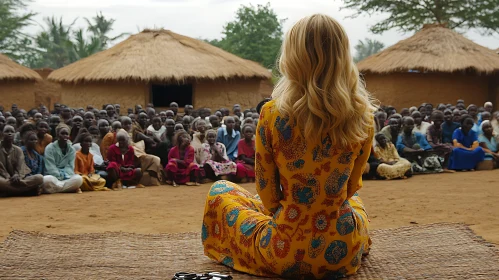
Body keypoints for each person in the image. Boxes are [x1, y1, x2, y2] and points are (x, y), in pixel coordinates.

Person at [203, 14, 374, 278]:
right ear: (343, 56)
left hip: (285, 251)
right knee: (356, 204)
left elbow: (268, 195)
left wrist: (292, 210)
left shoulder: (272, 114)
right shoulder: (363, 116)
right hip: (341, 253)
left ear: (293, 57)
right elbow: (352, 187)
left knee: (221, 191)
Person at [0, 126, 44, 197]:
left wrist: (17, 175)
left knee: (40, 178)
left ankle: (9, 192)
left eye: (12, 132)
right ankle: (24, 192)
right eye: (7, 131)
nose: (9, 133)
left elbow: (21, 166)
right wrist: (8, 177)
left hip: (17, 180)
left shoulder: (18, 150)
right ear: (2, 134)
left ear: (14, 134)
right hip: (3, 178)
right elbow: (1, 169)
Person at [42, 126, 83, 194]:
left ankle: (55, 189)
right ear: (58, 135)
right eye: (62, 134)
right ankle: (66, 189)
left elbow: (70, 166)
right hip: (54, 176)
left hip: (67, 176)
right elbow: (50, 166)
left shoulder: (71, 149)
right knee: (46, 179)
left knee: (79, 179)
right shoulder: (49, 148)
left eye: (66, 134)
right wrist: (59, 176)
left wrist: (64, 175)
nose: (65, 136)